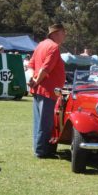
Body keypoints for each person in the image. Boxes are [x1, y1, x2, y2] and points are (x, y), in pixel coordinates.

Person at [27, 23, 66, 158]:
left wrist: (33, 79)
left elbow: (30, 65)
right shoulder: (53, 47)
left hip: (39, 90)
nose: (64, 35)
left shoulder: (41, 45)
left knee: (39, 121)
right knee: (46, 122)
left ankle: (39, 148)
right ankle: (42, 151)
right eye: (63, 32)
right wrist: (36, 81)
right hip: (47, 90)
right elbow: (45, 68)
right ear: (55, 34)